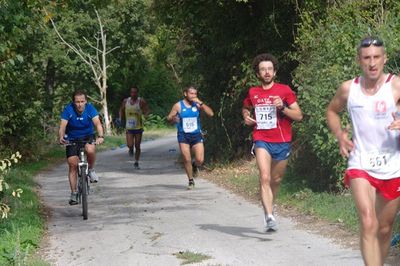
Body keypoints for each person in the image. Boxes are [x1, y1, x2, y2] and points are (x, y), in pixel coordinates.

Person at [326, 36, 400, 265]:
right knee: (368, 222)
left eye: (377, 57)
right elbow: (331, 111)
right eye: (367, 58)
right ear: (359, 60)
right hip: (361, 162)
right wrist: (340, 135)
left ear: (384, 58)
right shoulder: (349, 89)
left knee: (385, 228)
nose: (372, 63)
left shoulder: (396, 85)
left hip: (393, 164)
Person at [242, 53, 303, 232]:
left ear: (275, 72)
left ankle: (271, 206)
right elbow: (245, 108)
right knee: (265, 177)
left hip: (282, 140)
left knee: (276, 179)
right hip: (261, 138)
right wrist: (246, 117)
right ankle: (268, 216)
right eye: (263, 70)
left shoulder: (284, 90)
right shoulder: (253, 92)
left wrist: (282, 108)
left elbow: (298, 116)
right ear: (258, 73)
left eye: (269, 69)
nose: (266, 72)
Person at [58, 90, 104, 205]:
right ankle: (74, 193)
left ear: (86, 101)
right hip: (72, 138)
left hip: (87, 136)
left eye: (82, 101)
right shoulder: (68, 109)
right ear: (73, 102)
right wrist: (61, 137)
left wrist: (100, 136)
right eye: (77, 102)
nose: (79, 104)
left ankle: (91, 170)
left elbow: (97, 123)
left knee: (90, 149)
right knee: (72, 164)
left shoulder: (90, 109)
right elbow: (62, 126)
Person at [167, 85, 214, 189]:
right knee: (186, 158)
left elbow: (211, 114)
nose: (193, 96)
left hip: (196, 135)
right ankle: (191, 180)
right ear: (185, 94)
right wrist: (172, 118)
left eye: (195, 94)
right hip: (183, 135)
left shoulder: (197, 104)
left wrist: (200, 103)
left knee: (200, 160)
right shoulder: (178, 106)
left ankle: (195, 165)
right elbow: (169, 118)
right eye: (191, 93)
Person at [119, 87, 149, 169]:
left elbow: (146, 109)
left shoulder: (141, 101)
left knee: (138, 145)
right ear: (130, 93)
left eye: (135, 92)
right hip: (129, 127)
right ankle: (131, 149)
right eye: (132, 92)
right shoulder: (126, 101)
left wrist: (146, 115)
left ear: (137, 93)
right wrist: (120, 118)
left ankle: (136, 162)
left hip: (138, 127)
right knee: (130, 144)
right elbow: (121, 109)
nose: (133, 94)